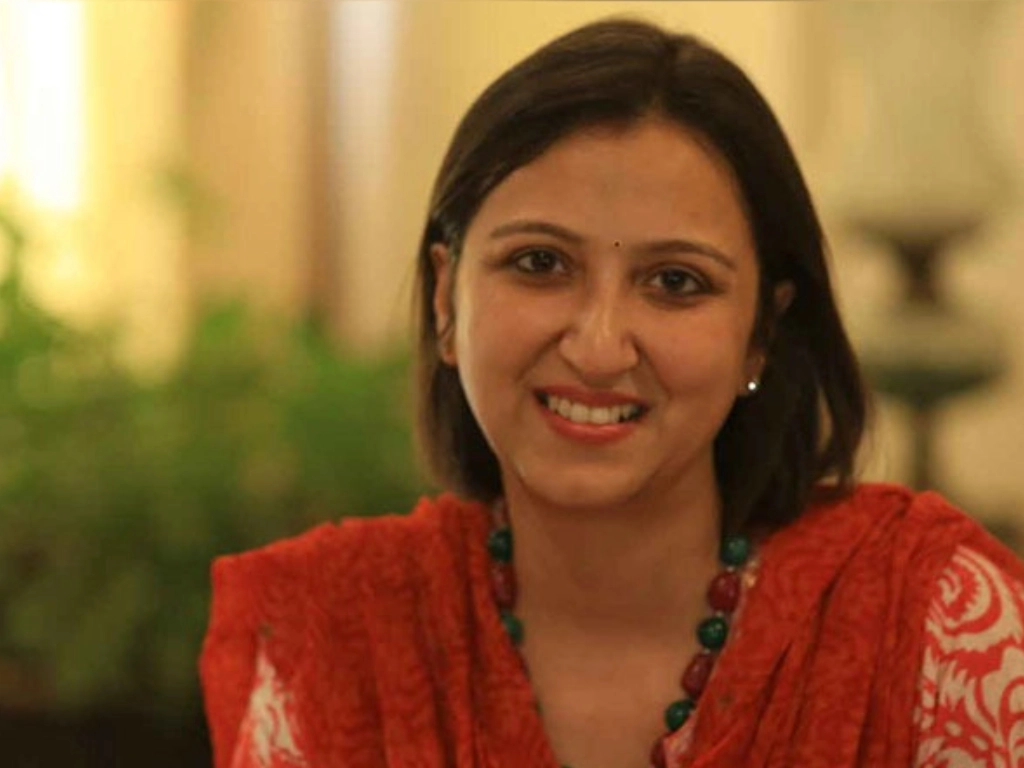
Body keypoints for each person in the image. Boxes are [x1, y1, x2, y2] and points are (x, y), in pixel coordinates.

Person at [200, 18, 1024, 768]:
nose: (598, 348)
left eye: (675, 281)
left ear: (761, 334)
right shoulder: (334, 645)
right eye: (540, 264)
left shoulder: (936, 630)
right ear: (446, 299)